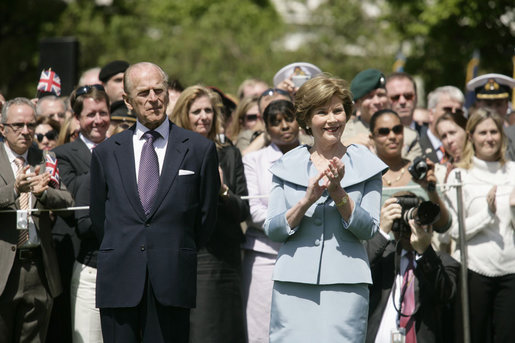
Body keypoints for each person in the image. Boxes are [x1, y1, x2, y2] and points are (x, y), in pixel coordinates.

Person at [90, 62, 220, 343]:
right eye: (144, 92)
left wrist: (172, 247)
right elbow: (100, 218)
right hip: (119, 278)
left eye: (158, 90)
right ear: (127, 101)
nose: (153, 99)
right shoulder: (106, 153)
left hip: (172, 277)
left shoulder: (199, 150)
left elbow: (207, 218)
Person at [264, 75, 387, 342]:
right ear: (307, 119)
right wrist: (306, 200)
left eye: (337, 110)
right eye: (322, 112)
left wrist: (338, 193)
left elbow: (368, 229)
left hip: (346, 284)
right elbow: (273, 229)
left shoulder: (367, 163)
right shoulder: (287, 164)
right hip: (292, 286)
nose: (332, 119)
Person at [170, 85, 248, 343]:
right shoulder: (171, 155)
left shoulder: (229, 154)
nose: (203, 116)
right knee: (201, 332)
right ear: (184, 115)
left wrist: (223, 190)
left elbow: (242, 210)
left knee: (229, 331)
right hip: (193, 256)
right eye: (196, 111)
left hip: (226, 258)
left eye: (208, 110)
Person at [0, 97, 74, 342]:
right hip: (4, 269)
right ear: (3, 129)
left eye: (31, 125)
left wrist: (44, 193)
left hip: (38, 269)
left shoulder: (45, 158)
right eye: (17, 125)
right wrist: (13, 190)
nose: (26, 131)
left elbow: (67, 201)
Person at [445, 108, 515, 343]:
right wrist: (488, 212)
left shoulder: (513, 172)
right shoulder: (459, 176)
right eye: (483, 132)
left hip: (511, 272)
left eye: (494, 132)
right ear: (471, 136)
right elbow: (454, 230)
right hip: (474, 272)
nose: (489, 138)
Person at [52, 84, 111, 343]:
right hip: (82, 256)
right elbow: (72, 197)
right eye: (90, 114)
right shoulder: (62, 155)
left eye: (103, 112)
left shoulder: (125, 149)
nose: (98, 120)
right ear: (77, 119)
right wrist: (105, 162)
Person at [366, 191, 460, 343]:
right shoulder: (382, 256)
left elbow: (445, 294)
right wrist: (382, 231)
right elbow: (359, 273)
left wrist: (425, 252)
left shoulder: (443, 262)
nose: (407, 227)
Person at [242, 99, 300, 343]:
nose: (284, 126)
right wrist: (298, 216)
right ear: (266, 128)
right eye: (276, 122)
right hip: (265, 255)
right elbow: (254, 211)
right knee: (260, 328)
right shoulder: (253, 160)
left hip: (305, 252)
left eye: (289, 118)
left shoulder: (315, 155)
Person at [369, 109, 451, 232]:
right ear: (372, 137)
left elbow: (443, 225)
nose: (392, 136)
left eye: (397, 130)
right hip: (379, 249)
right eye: (384, 132)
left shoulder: (420, 170)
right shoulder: (366, 176)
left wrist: (431, 190)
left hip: (419, 248)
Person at [342, 69, 422, 161]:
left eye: (380, 95)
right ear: (357, 103)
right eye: (369, 97)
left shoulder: (409, 136)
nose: (377, 101)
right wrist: (345, 148)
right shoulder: (344, 133)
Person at [421, 86, 465, 163]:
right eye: (447, 110)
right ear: (431, 114)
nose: (453, 114)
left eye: (458, 111)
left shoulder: (470, 148)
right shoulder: (417, 148)